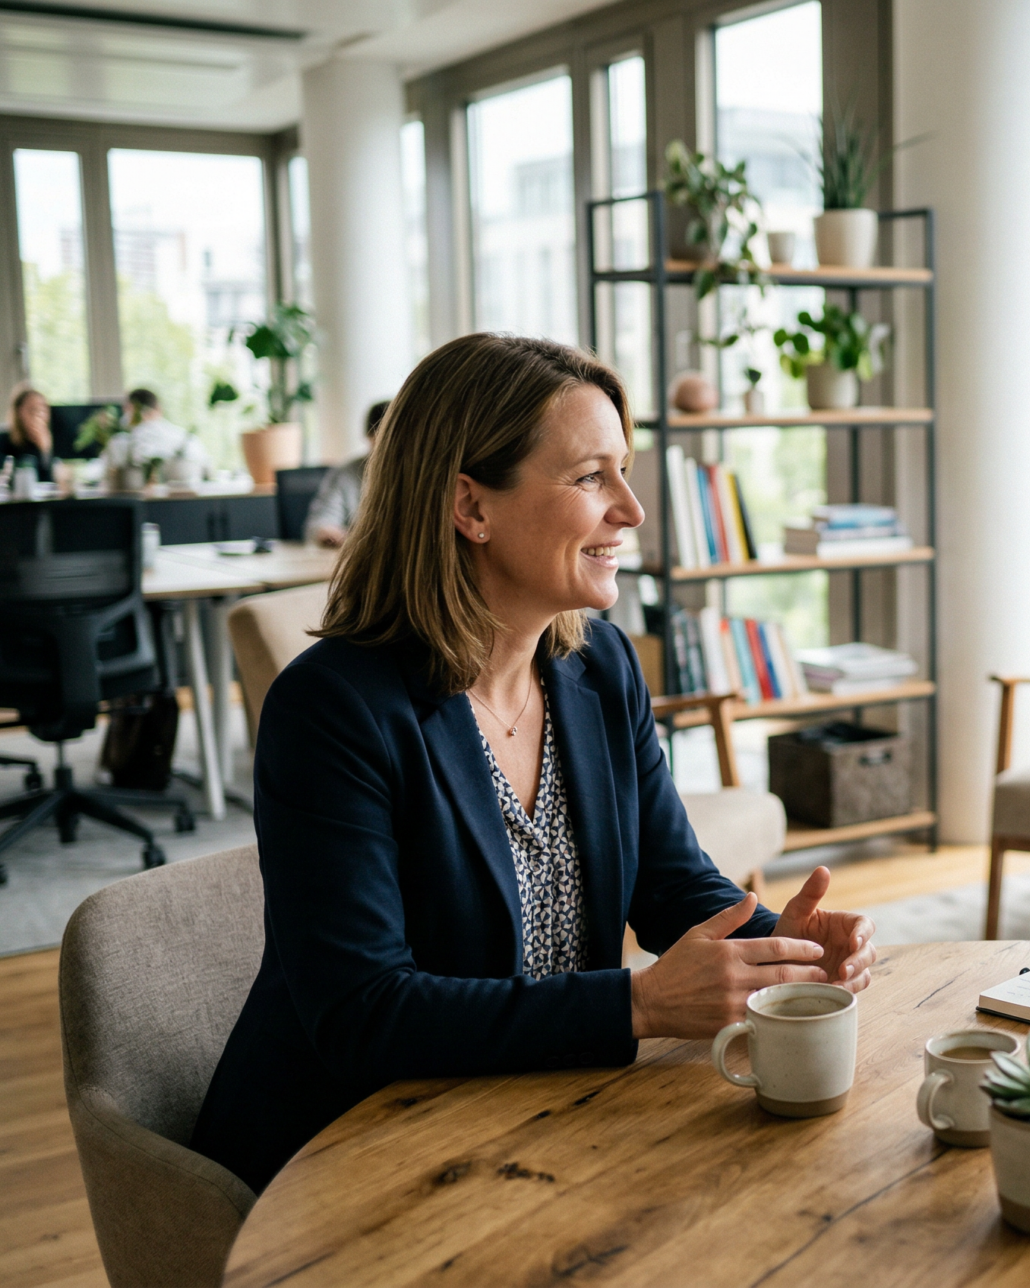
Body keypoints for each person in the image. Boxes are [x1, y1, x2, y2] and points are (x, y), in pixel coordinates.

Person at [191, 333, 877, 1194]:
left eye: (623, 473)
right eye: (592, 477)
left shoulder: (598, 666)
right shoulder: (332, 710)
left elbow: (669, 884)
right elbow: (365, 1013)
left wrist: (780, 947)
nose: (630, 510)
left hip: (534, 1116)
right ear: (469, 506)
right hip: (344, 1151)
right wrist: (638, 1005)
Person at [305, 399, 390, 546]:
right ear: (370, 436)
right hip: (357, 557)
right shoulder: (345, 474)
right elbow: (320, 525)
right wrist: (331, 534)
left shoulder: (423, 476)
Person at [103, 387, 205, 473]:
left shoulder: (119, 442)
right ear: (159, 408)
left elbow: (97, 474)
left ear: (130, 409)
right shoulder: (187, 437)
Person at [5, 384, 54, 483]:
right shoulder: (4, 440)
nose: (39, 415)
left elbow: (50, 483)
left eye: (43, 410)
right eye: (33, 410)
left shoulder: (53, 439)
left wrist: (45, 451)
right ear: (19, 412)